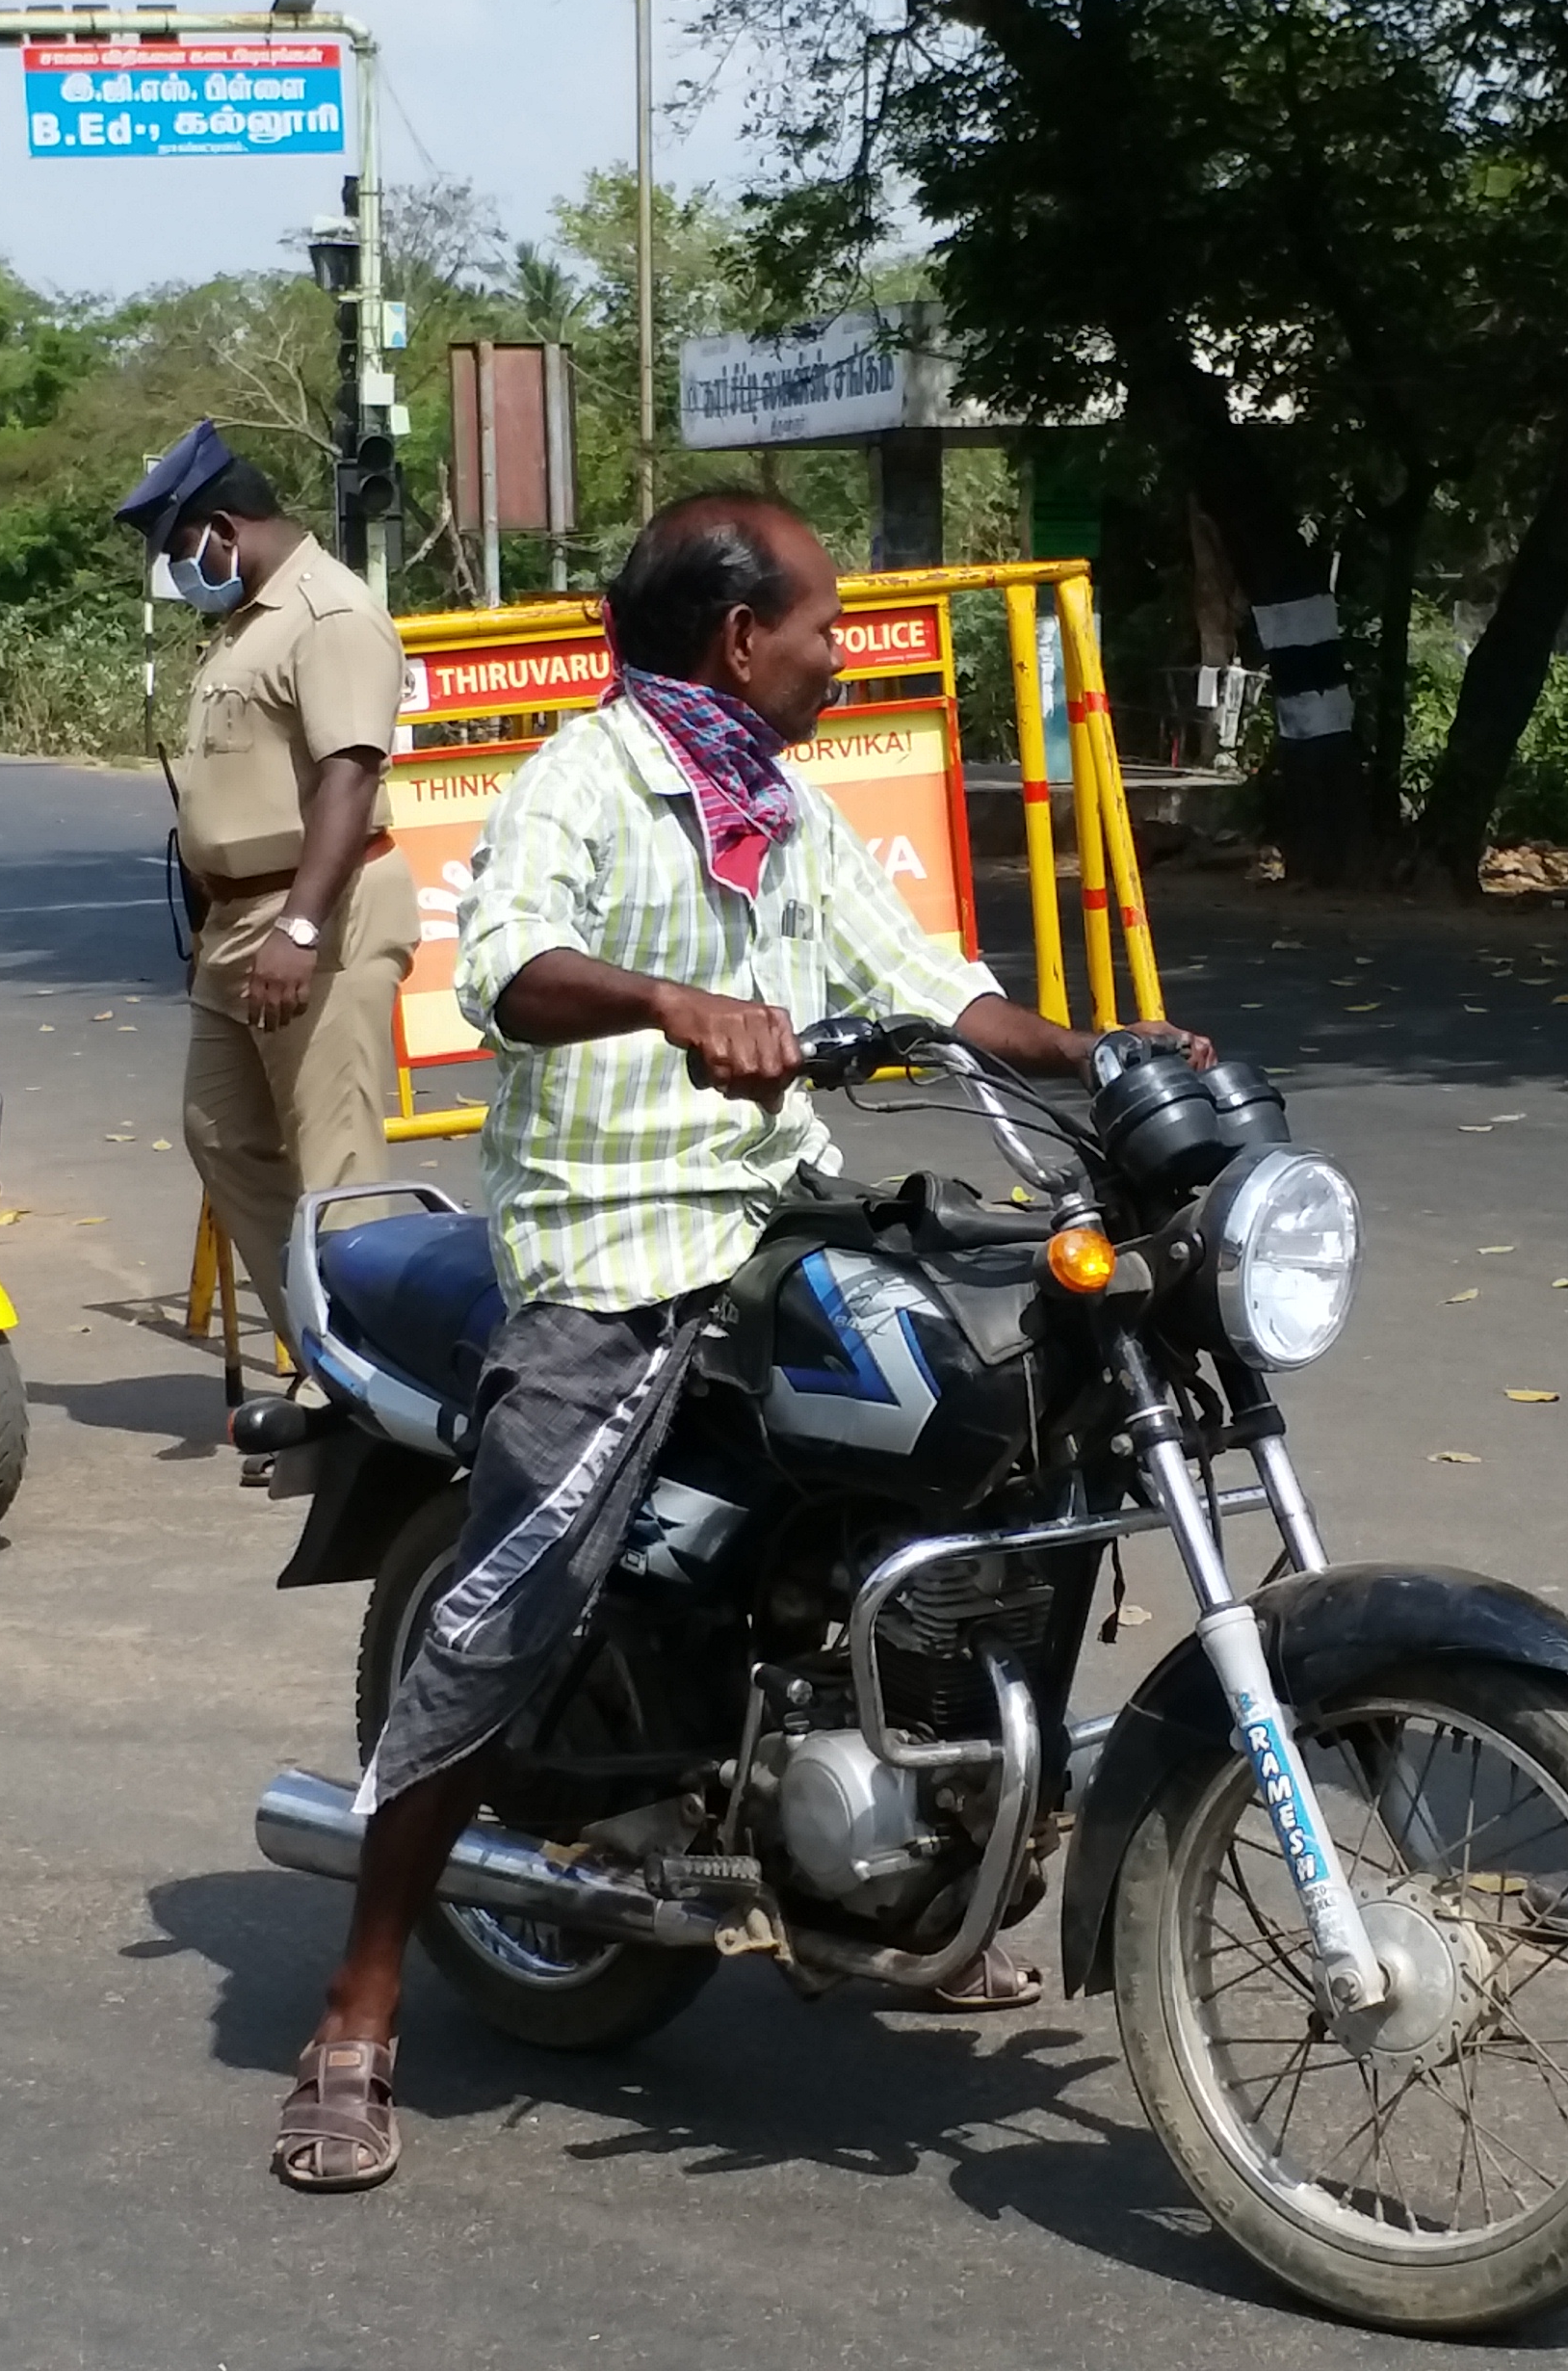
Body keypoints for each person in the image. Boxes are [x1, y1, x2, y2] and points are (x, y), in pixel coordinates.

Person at [267, 490, 1168, 2194]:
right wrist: (671, 1003)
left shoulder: (779, 805)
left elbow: (929, 978)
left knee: (1001, 1429)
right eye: (820, 622)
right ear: (734, 636)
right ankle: (360, 2004)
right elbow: (506, 968)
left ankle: (935, 1840)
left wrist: (1099, 1053)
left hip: (769, 1209)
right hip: (611, 1239)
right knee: (513, 1585)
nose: (839, 647)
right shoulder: (581, 779)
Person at [114, 422, 421, 1331]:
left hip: (314, 917)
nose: (182, 571)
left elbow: (349, 774)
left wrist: (299, 926)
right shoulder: (248, 621)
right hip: (235, 927)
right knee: (224, 1135)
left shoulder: (330, 615)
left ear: (223, 526)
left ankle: (374, 1390)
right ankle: (326, 1355)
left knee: (338, 1171)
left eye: (183, 550)